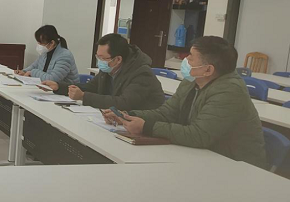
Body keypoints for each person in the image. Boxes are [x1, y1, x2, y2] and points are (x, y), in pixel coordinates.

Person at [102, 36, 267, 169]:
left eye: (191, 57)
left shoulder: (229, 92)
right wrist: (128, 115)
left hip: (234, 165)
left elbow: (199, 135)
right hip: (201, 156)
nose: (186, 60)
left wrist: (146, 127)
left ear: (208, 69)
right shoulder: (192, 80)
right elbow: (167, 113)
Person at [41, 33, 165, 110]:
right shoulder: (109, 68)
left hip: (140, 124)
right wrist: (59, 86)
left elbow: (124, 103)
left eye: (102, 58)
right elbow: (91, 87)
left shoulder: (141, 74)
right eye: (97, 56)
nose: (99, 62)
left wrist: (83, 96)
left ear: (118, 59)